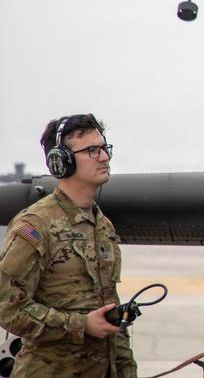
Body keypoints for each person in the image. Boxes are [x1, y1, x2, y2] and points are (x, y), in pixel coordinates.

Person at [0, 114, 137, 378]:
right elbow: (7, 307)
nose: (105, 158)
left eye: (104, 149)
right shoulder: (36, 225)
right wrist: (80, 325)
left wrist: (127, 370)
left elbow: (110, 312)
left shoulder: (102, 226)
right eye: (92, 151)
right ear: (62, 161)